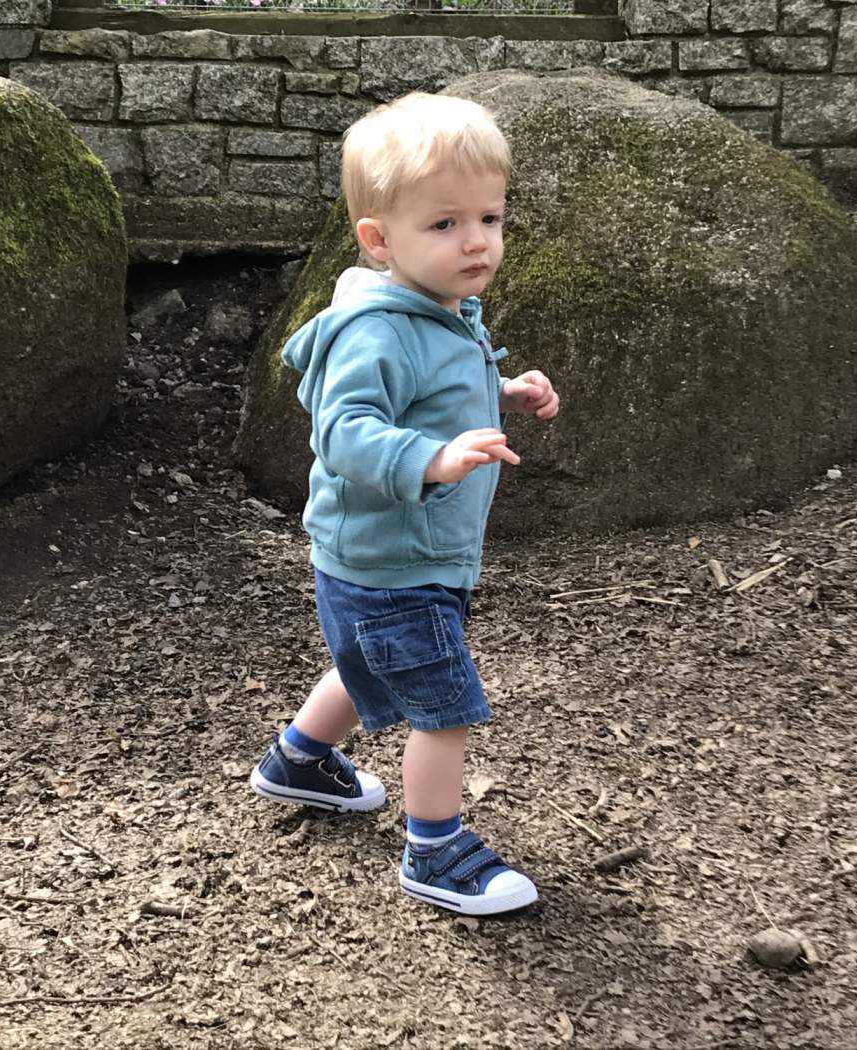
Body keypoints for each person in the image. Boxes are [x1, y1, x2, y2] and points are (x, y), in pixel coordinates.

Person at [247, 91, 560, 916]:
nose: (476, 240)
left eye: (489, 218)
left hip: (393, 555)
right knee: (443, 708)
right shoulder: (377, 330)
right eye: (445, 223)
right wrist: (431, 459)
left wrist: (502, 391)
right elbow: (344, 430)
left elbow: (433, 390)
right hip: (396, 560)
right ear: (380, 240)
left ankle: (297, 762)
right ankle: (436, 852)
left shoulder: (437, 312)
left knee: (365, 664)